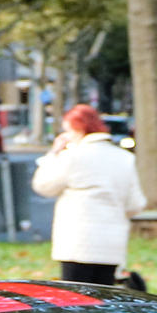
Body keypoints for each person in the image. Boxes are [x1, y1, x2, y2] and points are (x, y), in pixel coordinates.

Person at [29, 104, 146, 287]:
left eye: (67, 130)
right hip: (111, 245)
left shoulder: (73, 157)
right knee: (103, 298)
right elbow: (135, 204)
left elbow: (43, 185)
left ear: (78, 128)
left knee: (77, 300)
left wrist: (54, 152)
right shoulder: (125, 158)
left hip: (77, 244)